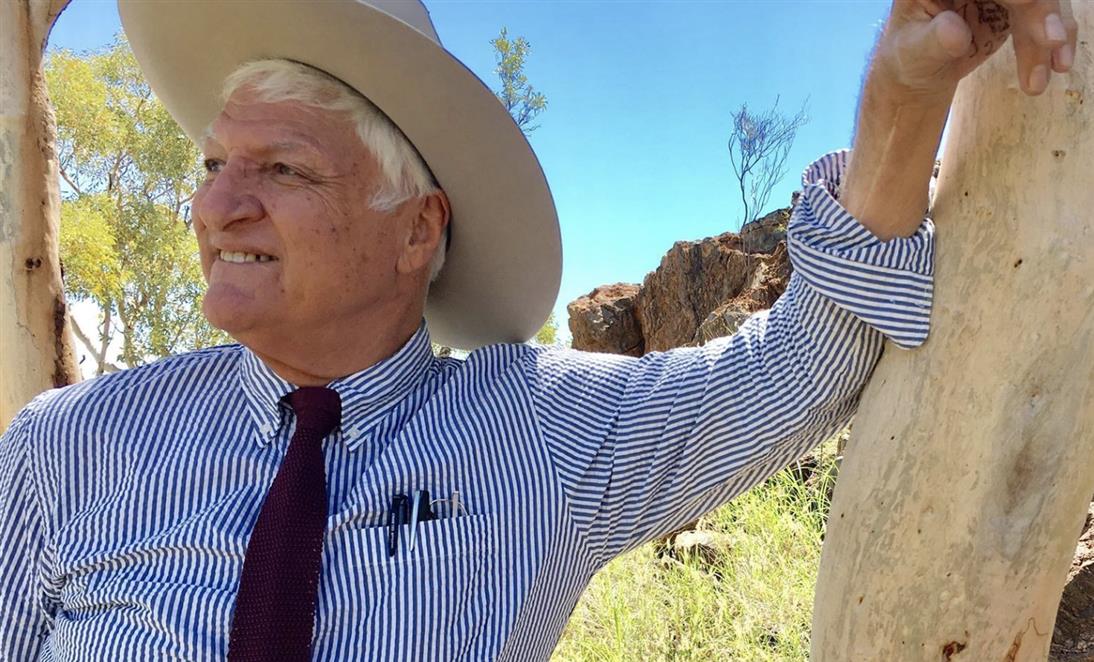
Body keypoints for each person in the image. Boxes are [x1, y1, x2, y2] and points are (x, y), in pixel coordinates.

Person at [0, 0, 1077, 659]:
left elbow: (806, 359)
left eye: (280, 169)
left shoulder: (537, 430)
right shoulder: (64, 445)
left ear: (416, 228)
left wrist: (899, 88)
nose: (215, 204)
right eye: (212, 165)